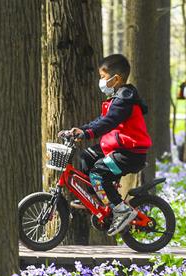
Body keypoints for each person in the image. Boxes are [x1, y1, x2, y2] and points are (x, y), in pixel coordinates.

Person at [58, 54, 152, 236]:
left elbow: (108, 122)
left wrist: (88, 133)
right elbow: (101, 120)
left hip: (130, 152)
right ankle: (94, 199)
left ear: (115, 79)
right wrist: (80, 130)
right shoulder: (117, 98)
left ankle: (121, 210)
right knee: (87, 156)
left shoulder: (125, 100)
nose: (100, 81)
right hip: (118, 147)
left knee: (99, 173)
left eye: (103, 77)